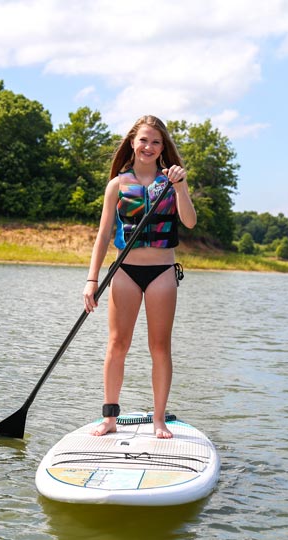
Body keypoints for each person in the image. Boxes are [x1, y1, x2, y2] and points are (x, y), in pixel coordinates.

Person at [83, 115, 196, 439]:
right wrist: (92, 280)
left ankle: (159, 420)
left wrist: (182, 186)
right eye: (143, 140)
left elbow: (188, 222)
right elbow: (103, 236)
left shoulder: (171, 183)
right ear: (132, 142)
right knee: (117, 344)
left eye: (156, 142)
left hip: (161, 271)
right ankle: (109, 418)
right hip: (124, 272)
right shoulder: (117, 185)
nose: (149, 146)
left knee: (159, 347)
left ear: (163, 148)